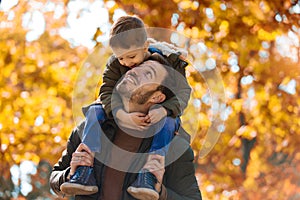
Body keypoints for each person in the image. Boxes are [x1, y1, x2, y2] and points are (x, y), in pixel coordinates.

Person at [59, 15, 191, 198]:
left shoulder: (169, 64)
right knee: (95, 110)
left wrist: (165, 109)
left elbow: (183, 93)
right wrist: (120, 114)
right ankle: (84, 169)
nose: (127, 64)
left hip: (164, 114)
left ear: (145, 47)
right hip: (115, 110)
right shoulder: (115, 66)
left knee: (169, 122)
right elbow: (105, 92)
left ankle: (150, 172)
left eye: (131, 56)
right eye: (121, 58)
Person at [49, 60, 202, 200]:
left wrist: (160, 191)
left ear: (157, 97)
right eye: (136, 67)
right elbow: (55, 178)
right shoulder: (88, 129)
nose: (134, 72)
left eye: (148, 74)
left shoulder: (175, 147)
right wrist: (69, 174)